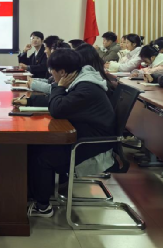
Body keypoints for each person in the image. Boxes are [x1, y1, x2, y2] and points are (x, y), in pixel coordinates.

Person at [27, 49, 115, 218]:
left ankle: (43, 207)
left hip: (91, 143)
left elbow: (58, 109)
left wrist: (59, 87)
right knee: (34, 146)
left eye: (52, 70)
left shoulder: (86, 88)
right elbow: (62, 100)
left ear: (62, 72)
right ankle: (36, 192)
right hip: (82, 133)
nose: (51, 74)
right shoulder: (81, 80)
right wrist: (30, 100)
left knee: (41, 157)